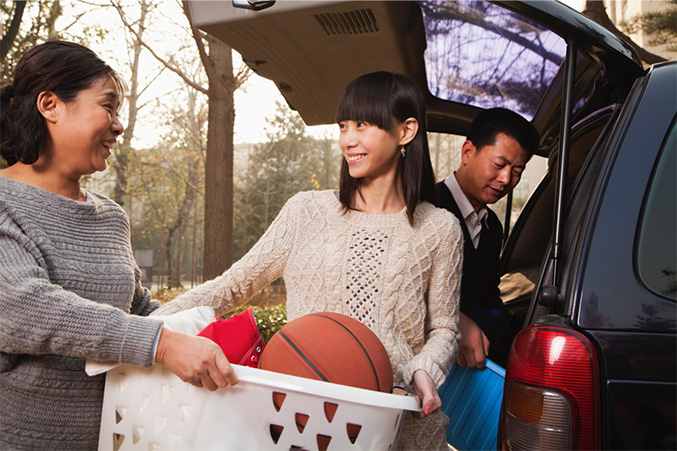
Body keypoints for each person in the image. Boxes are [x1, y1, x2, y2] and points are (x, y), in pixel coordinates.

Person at [154, 71, 463, 449]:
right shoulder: (306, 211)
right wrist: (148, 330)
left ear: (406, 131)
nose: (348, 140)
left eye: (362, 126)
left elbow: (445, 328)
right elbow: (233, 286)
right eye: (343, 126)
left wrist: (425, 368)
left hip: (392, 418)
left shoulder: (441, 228)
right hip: (300, 418)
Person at [0, 40, 238, 450]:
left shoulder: (110, 217)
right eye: (107, 106)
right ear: (49, 104)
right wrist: (163, 344)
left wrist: (205, 331)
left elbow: (135, 306)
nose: (118, 124)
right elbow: (24, 306)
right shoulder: (6, 205)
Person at [435, 108, 539, 368]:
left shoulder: (493, 227)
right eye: (499, 165)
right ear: (468, 152)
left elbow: (488, 298)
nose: (506, 179)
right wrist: (455, 321)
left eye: (517, 171)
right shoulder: (426, 208)